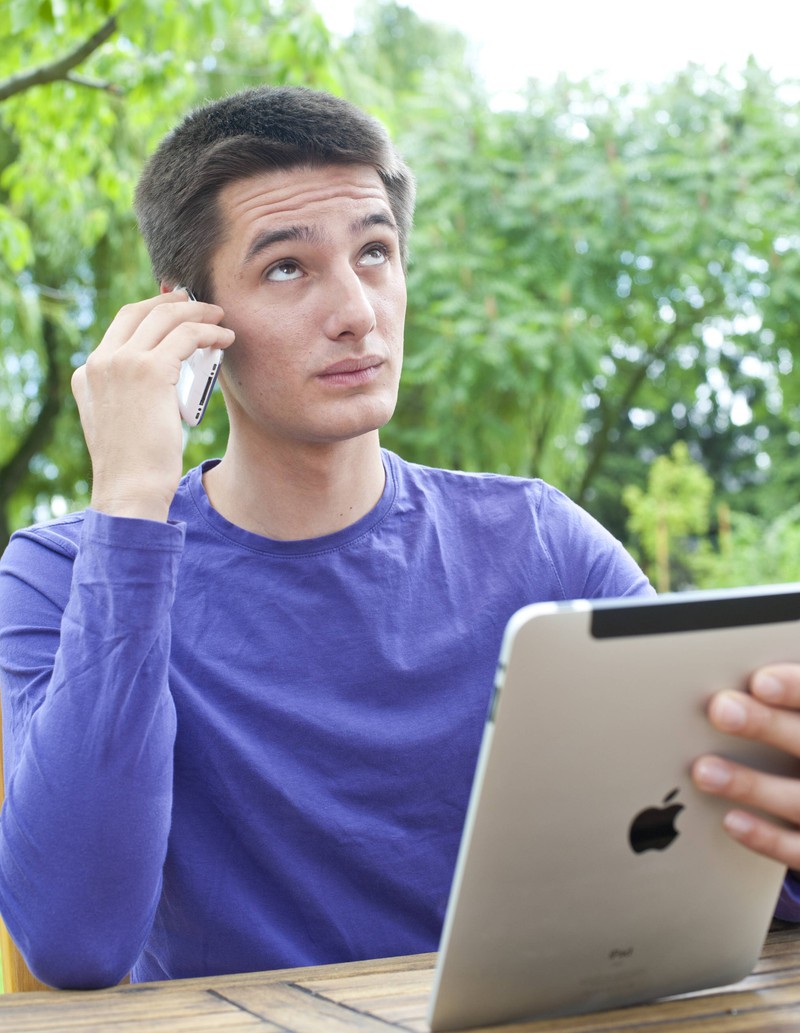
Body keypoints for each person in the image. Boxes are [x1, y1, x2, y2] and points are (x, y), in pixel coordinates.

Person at [0, 85, 797, 991]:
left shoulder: (541, 543)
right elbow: (75, 939)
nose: (357, 311)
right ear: (190, 326)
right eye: (288, 269)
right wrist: (131, 499)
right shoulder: (68, 573)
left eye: (375, 253)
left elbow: (707, 853)